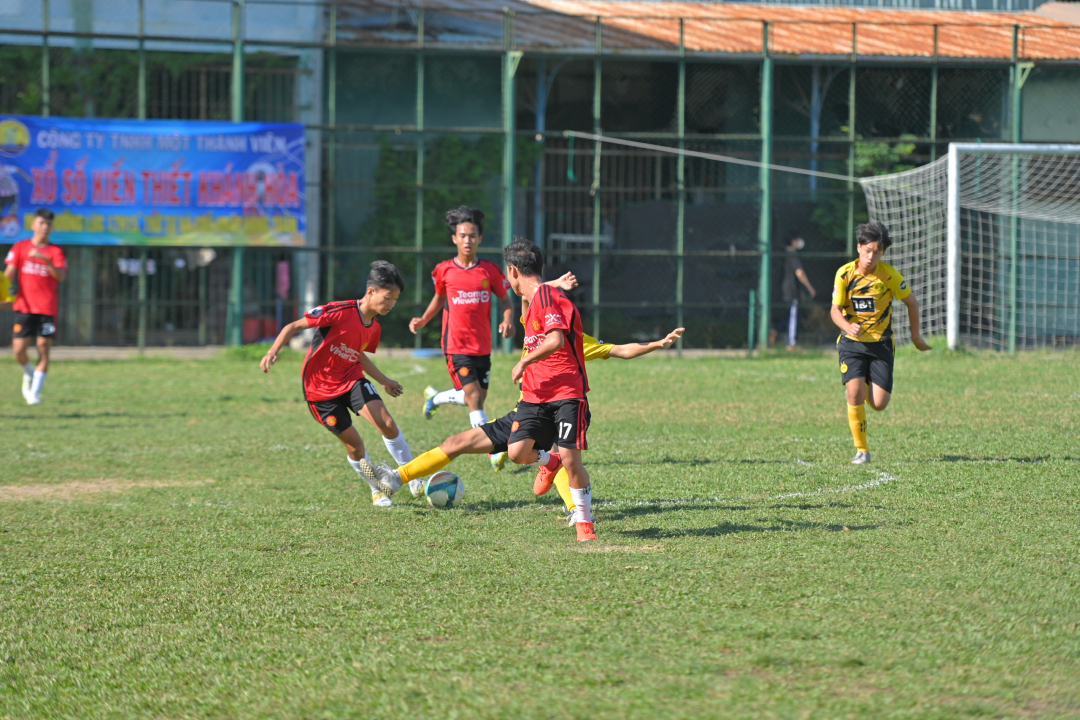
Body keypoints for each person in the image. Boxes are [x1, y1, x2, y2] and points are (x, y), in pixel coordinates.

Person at [260, 261, 415, 507]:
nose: (391, 304)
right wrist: (273, 351)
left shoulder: (374, 327)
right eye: (388, 298)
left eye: (395, 299)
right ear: (371, 292)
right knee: (356, 447)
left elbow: (358, 353)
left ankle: (412, 474)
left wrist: (384, 381)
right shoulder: (339, 310)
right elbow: (293, 326)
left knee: (386, 422)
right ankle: (376, 489)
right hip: (319, 392)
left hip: (351, 378)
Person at [409, 206, 514, 471]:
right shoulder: (444, 270)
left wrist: (508, 319)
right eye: (462, 235)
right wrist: (423, 320)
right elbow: (439, 299)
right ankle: (492, 449)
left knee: (475, 397)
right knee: (474, 396)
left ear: (480, 238)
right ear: (454, 238)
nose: (467, 240)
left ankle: (435, 398)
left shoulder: (489, 271)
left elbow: (505, 299)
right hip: (456, 346)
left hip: (483, 346)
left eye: (472, 235)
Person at [831, 221, 931, 465]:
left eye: (876, 252)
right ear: (859, 248)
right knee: (853, 393)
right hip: (852, 343)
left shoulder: (889, 276)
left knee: (878, 404)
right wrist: (846, 326)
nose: (871, 256)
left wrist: (916, 337)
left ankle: (864, 380)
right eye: (867, 250)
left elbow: (912, 303)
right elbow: (834, 310)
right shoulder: (845, 274)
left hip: (881, 345)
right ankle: (862, 450)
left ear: (883, 252)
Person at [4, 208, 66, 405]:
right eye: (41, 223)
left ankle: (34, 394)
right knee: (19, 351)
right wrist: (2, 295)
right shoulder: (20, 247)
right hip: (24, 307)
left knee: (43, 348)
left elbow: (61, 276)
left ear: (52, 227)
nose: (44, 227)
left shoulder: (55, 252)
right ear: (33, 224)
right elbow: (9, 274)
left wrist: (45, 259)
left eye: (48, 224)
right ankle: (29, 373)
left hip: (47, 309)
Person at [771, 233, 816, 350]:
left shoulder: (784, 254)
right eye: (798, 239)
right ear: (793, 241)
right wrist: (810, 287)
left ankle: (775, 330)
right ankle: (792, 343)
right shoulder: (792, 254)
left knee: (791, 314)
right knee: (794, 316)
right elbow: (799, 272)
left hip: (786, 288)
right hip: (791, 290)